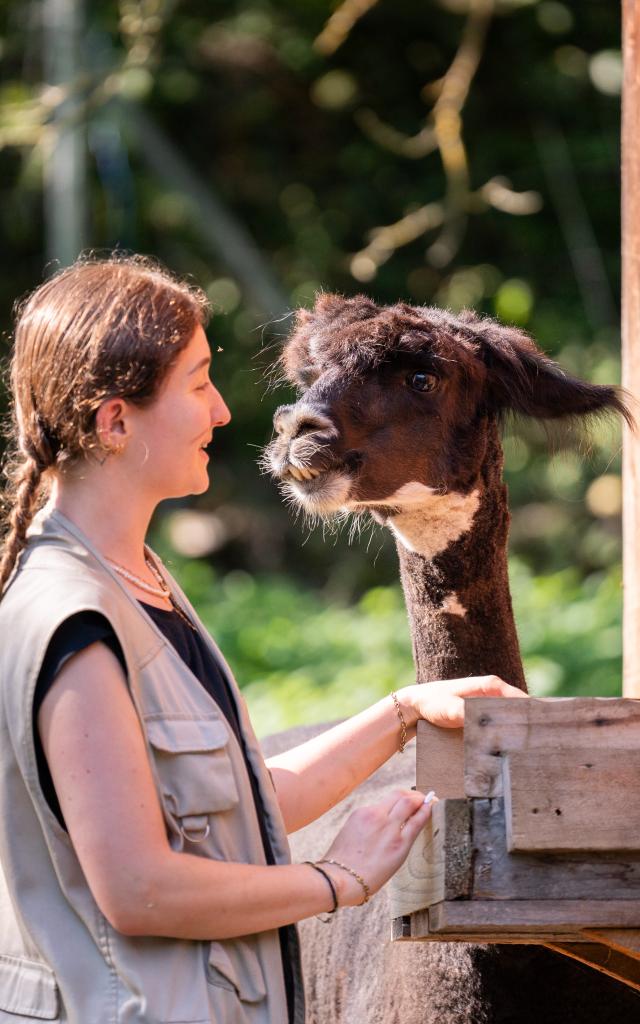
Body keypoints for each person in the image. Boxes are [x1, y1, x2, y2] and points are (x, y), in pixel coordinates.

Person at [0, 255, 526, 1024]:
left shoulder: (137, 586)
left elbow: (227, 807)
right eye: (199, 382)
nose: (222, 411)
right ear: (116, 421)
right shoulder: (74, 622)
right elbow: (142, 888)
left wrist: (402, 713)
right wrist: (340, 879)